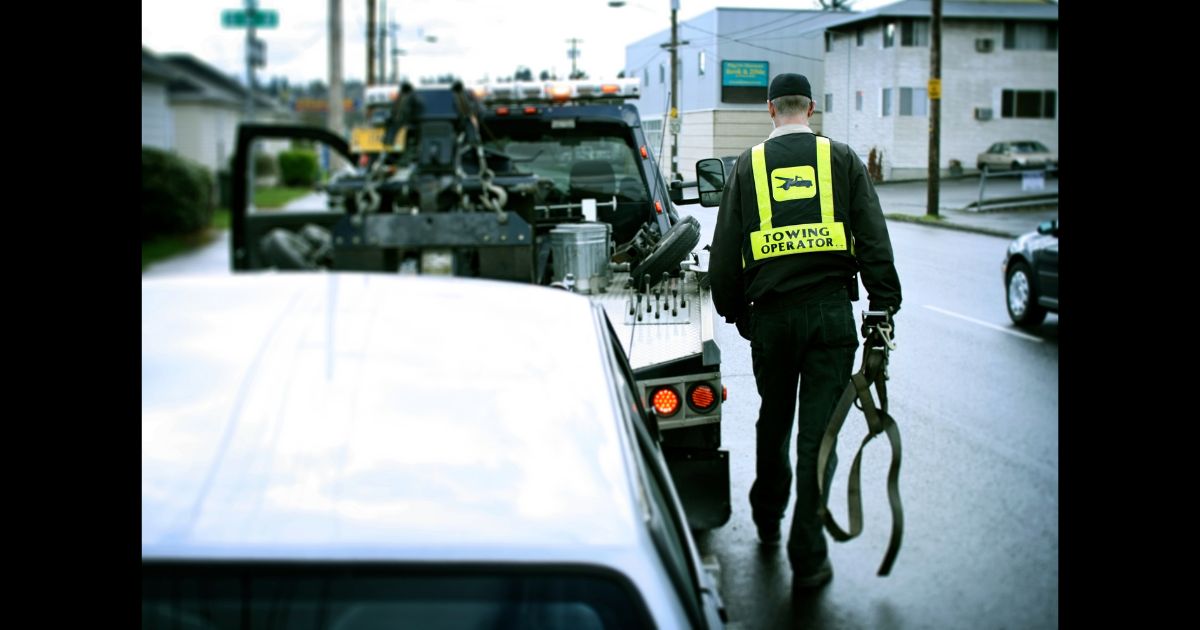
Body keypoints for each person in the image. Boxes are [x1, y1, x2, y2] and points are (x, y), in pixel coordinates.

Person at [708, 72, 902, 591]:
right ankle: (808, 557)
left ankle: (768, 516)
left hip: (772, 318)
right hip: (831, 316)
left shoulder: (746, 167)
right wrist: (882, 310)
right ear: (810, 109)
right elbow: (873, 238)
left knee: (774, 423)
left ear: (771, 110)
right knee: (820, 439)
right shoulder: (841, 159)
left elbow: (725, 256)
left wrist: (739, 315)